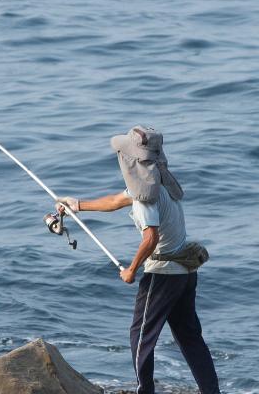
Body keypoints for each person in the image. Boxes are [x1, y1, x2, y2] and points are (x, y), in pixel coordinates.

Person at [55, 126, 220, 394]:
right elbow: (115, 200)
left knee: (141, 337)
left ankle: (145, 391)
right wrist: (77, 204)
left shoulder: (146, 199)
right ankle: (211, 391)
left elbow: (150, 237)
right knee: (190, 337)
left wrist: (132, 270)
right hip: (185, 273)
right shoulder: (159, 180)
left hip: (163, 274)